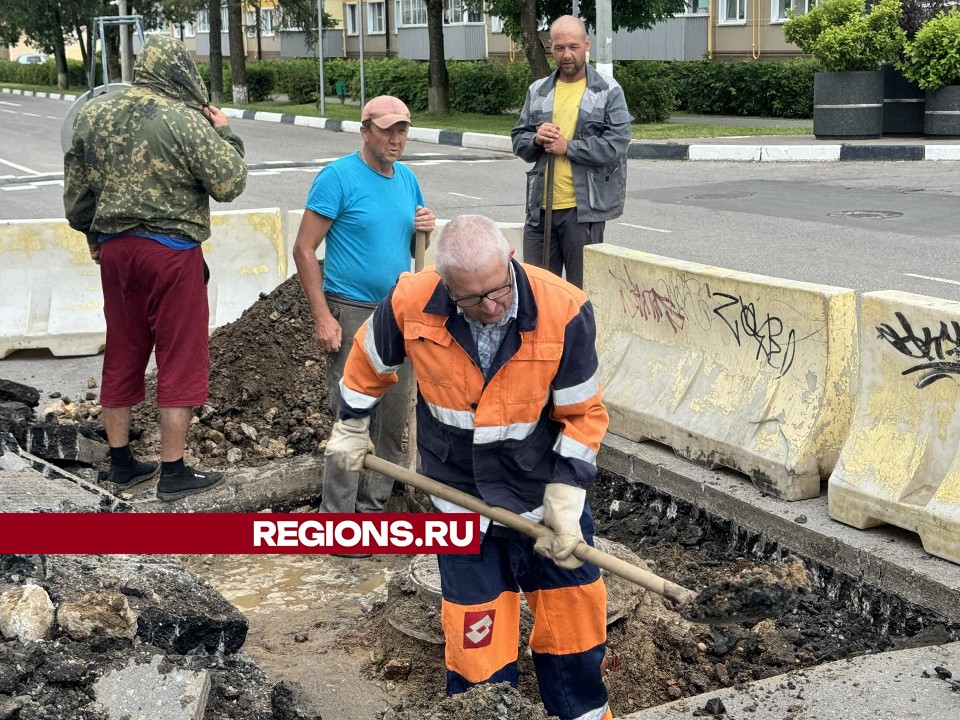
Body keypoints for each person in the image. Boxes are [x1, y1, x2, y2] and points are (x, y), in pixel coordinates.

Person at [325, 214, 612, 720]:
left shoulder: (563, 310)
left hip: (540, 499)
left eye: (498, 290)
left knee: (574, 630)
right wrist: (351, 424)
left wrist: (566, 499)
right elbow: (368, 359)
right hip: (458, 498)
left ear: (509, 261)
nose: (491, 306)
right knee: (477, 645)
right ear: (445, 283)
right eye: (471, 298)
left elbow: (583, 414)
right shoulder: (412, 301)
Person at [63, 35, 247, 501]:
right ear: (180, 71)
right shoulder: (184, 119)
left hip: (116, 253)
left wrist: (95, 237)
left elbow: (77, 198)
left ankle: (122, 464)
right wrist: (225, 132)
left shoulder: (93, 114)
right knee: (179, 356)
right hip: (170, 252)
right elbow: (229, 183)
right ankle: (174, 471)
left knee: (123, 350)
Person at [292, 95, 436, 516]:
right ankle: (337, 515)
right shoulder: (338, 178)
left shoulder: (408, 180)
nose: (396, 138)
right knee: (353, 417)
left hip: (398, 311)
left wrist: (423, 229)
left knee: (392, 421)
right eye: (388, 129)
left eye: (403, 130)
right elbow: (304, 248)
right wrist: (322, 316)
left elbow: (407, 247)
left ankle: (373, 510)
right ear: (365, 129)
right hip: (351, 311)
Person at [511, 14, 632, 289]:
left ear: (586, 44)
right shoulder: (538, 91)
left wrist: (569, 147)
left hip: (583, 212)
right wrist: (535, 140)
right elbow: (519, 139)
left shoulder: (607, 91)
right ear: (550, 48)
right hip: (539, 211)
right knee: (537, 292)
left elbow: (617, 144)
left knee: (580, 292)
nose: (566, 55)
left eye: (573, 47)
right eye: (559, 48)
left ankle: (578, 335)